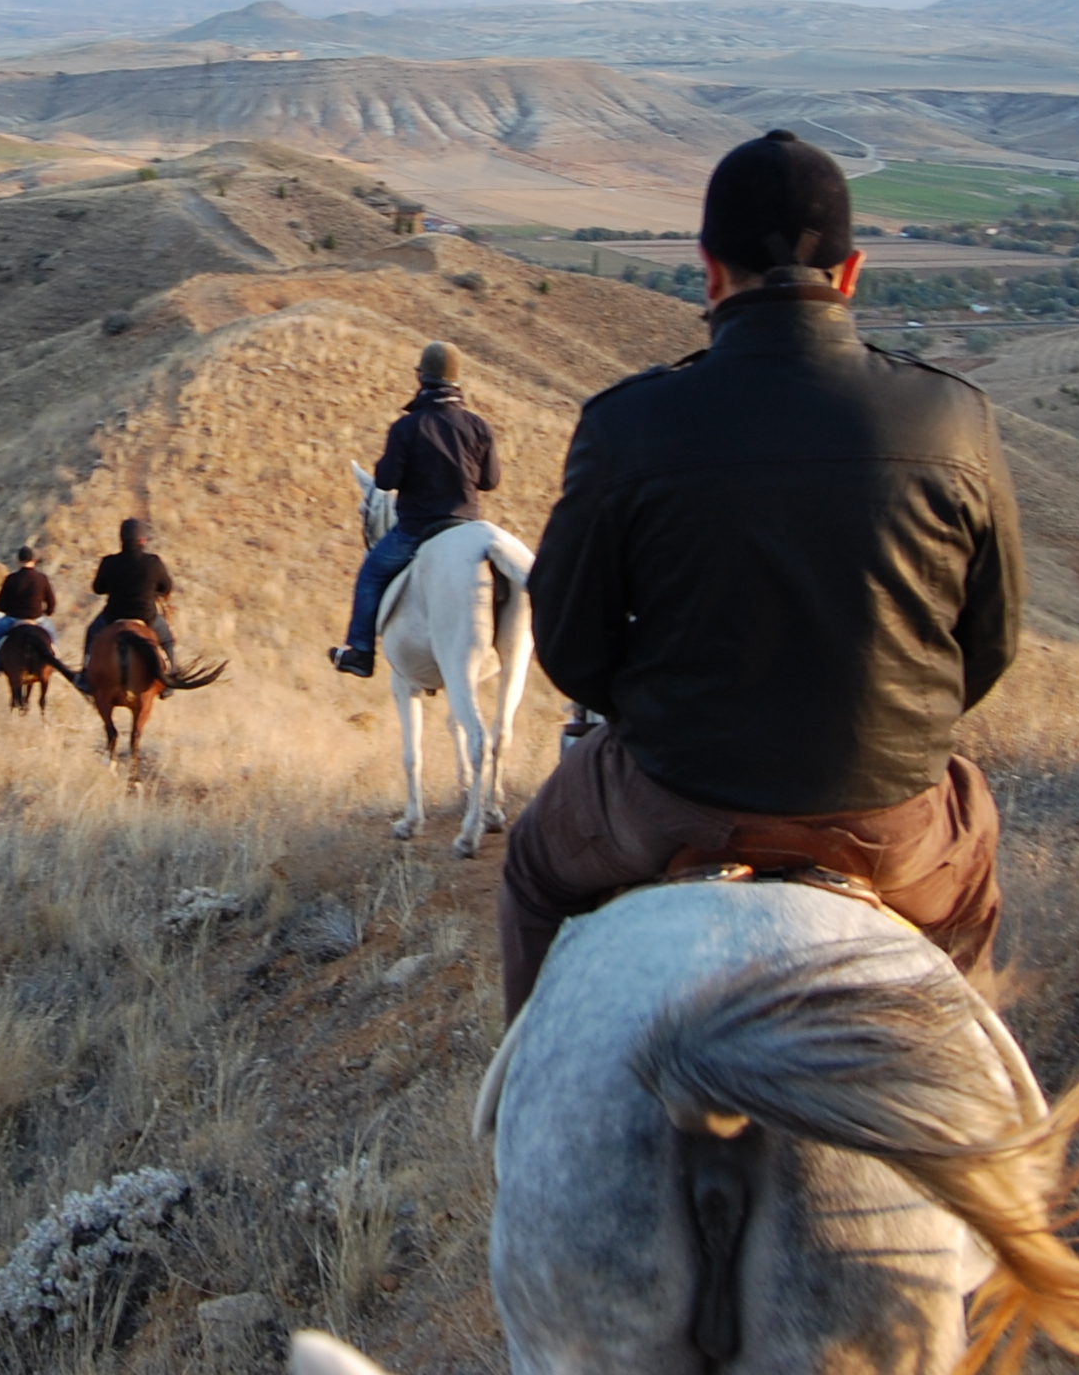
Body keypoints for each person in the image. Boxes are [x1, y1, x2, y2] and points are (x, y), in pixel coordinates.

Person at [502, 129, 1023, 1021]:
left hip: (675, 802)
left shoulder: (629, 424)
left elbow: (572, 647)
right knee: (970, 873)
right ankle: (955, 1099)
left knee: (533, 872)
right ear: (852, 274)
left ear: (709, 271)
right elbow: (992, 641)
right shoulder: (955, 418)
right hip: (893, 819)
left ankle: (513, 1119)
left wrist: (657, 712)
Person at [330, 341, 500, 679]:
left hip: (418, 528)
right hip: (467, 524)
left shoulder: (408, 427)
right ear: (456, 380)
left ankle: (361, 652)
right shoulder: (478, 426)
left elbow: (386, 481)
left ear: (422, 377)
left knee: (371, 573)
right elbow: (490, 481)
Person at [88, 518, 176, 668]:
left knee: (91, 633)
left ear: (122, 539)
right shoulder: (153, 562)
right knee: (167, 639)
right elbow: (166, 587)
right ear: (143, 540)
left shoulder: (109, 562)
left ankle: (85, 672)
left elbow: (98, 588)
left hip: (113, 616)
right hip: (146, 616)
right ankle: (173, 672)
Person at [0, 546, 57, 672]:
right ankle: (54, 659)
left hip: (13, 619)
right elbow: (52, 603)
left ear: (19, 560)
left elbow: (2, 604)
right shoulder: (42, 578)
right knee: (52, 635)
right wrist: (47, 613)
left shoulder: (11, 579)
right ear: (33, 560)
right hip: (37, 618)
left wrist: (7, 610)